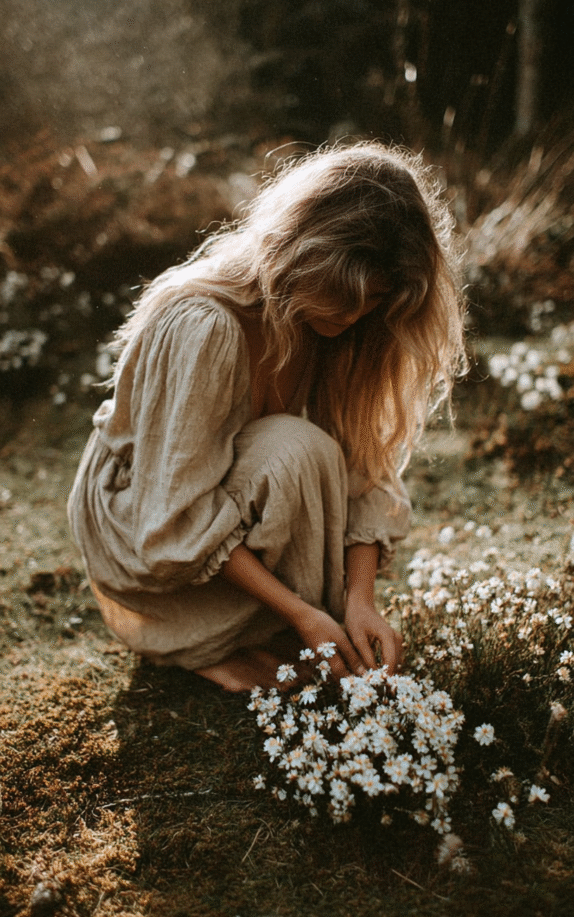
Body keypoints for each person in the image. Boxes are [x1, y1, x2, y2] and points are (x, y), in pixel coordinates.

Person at [68, 141, 465, 692]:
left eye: (372, 298)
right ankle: (223, 634)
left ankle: (273, 633)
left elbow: (363, 468)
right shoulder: (205, 323)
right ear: (299, 251)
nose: (353, 313)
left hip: (213, 506)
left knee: (311, 451)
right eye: (342, 290)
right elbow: (172, 515)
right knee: (294, 449)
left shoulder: (337, 325)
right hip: (144, 520)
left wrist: (359, 599)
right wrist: (304, 613)